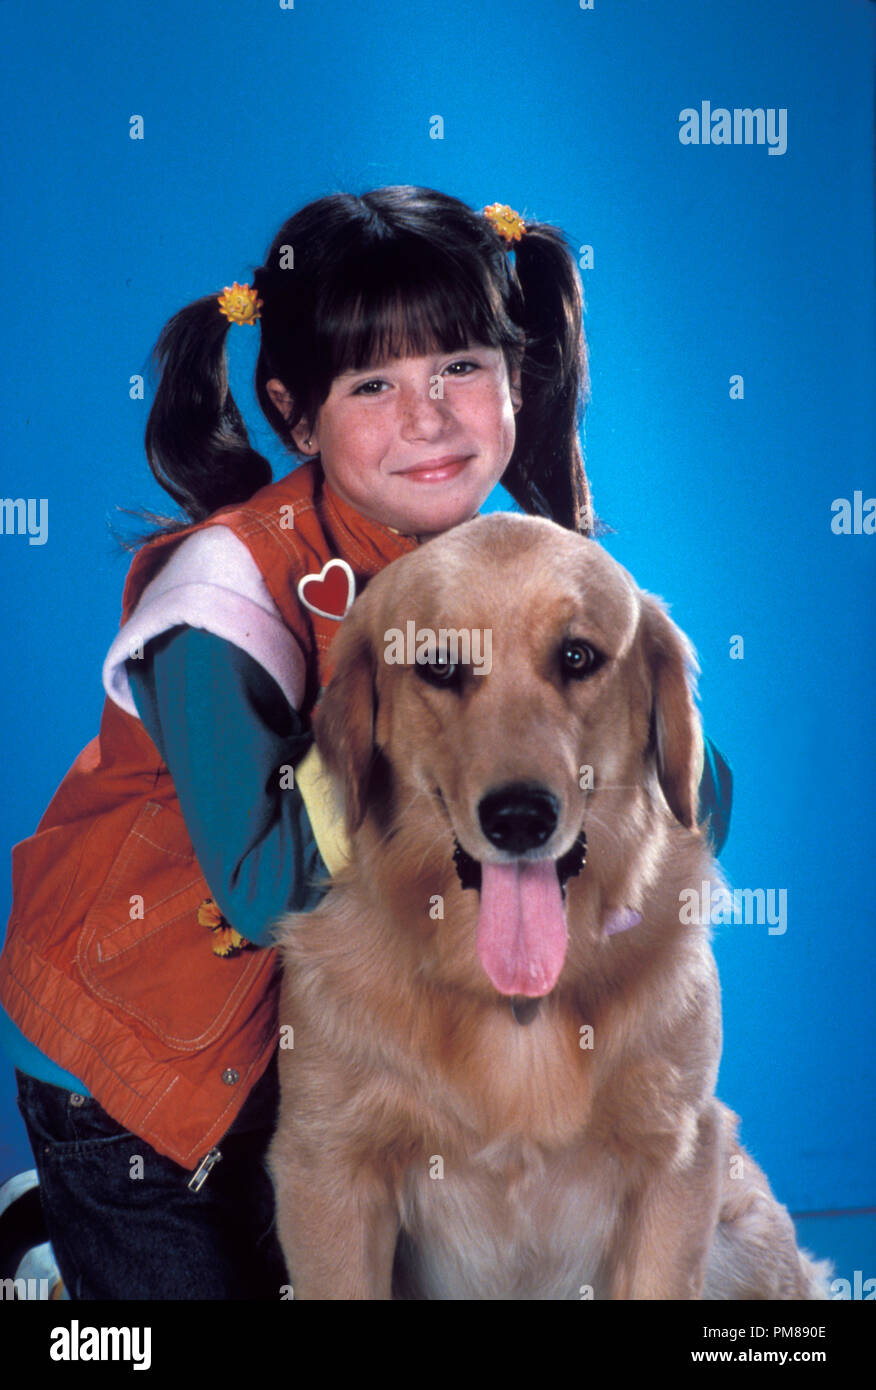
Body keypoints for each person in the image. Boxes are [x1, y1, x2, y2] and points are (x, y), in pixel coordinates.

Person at [0, 186, 732, 1300]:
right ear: (298, 416)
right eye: (375, 386)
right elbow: (254, 889)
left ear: (514, 376)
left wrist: (631, 706)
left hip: (328, 1048)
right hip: (146, 1060)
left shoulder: (520, 553)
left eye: (459, 370)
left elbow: (692, 794)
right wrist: (400, 717)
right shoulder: (225, 593)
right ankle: (55, 1247)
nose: (429, 417)